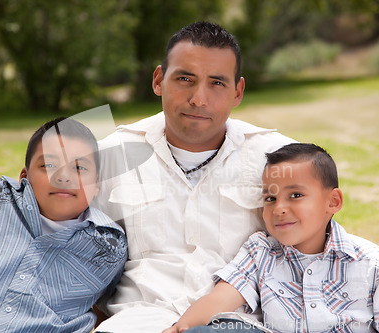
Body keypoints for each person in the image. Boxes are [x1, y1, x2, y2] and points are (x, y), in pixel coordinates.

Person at [93, 21, 295, 333]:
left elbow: (325, 250)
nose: (199, 99)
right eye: (185, 79)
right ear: (159, 80)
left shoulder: (279, 158)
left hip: (238, 324)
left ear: (238, 91)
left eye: (217, 83)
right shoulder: (109, 156)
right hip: (137, 322)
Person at [163, 143, 379, 333]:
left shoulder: (370, 260)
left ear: (332, 201)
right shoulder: (261, 251)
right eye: (270, 199)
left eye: (295, 195)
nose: (279, 208)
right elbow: (220, 299)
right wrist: (179, 327)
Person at [0, 117, 128, 333]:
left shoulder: (110, 244)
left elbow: (111, 306)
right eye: (49, 165)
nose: (64, 177)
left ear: (97, 185)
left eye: (80, 168)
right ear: (24, 176)